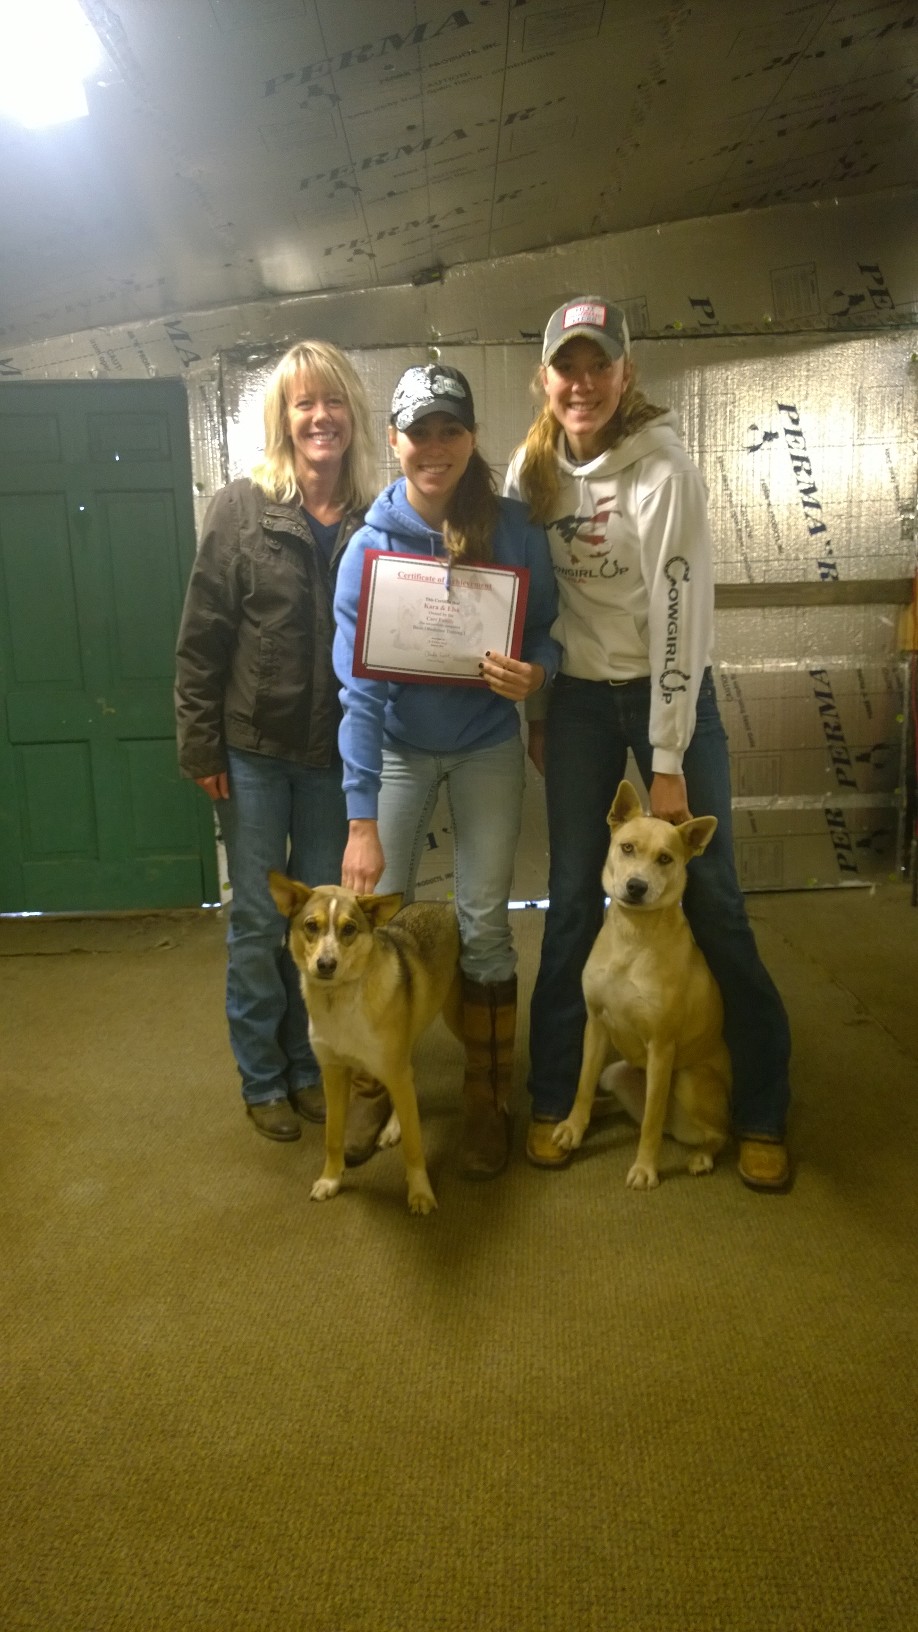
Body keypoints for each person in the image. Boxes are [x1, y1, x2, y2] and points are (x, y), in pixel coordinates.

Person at [504, 297, 792, 1191]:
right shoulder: (531, 470)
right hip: (581, 700)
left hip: (672, 695)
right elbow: (530, 599)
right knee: (570, 899)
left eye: (600, 365)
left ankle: (762, 1110)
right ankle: (558, 1096)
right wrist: (540, 713)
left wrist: (668, 760)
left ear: (626, 373)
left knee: (715, 899)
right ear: (545, 379)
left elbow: (680, 615)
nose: (583, 383)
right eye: (568, 367)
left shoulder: (664, 470)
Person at [333, 362, 561, 1178]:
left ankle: (487, 1098)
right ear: (393, 441)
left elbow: (546, 634)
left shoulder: (515, 528)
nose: (435, 447)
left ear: (472, 438)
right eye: (419, 431)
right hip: (398, 746)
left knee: (484, 920)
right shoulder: (368, 549)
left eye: (450, 430)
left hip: (485, 742)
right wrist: (361, 820)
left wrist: (537, 677)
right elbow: (358, 695)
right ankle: (373, 1084)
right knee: (376, 915)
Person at [175, 340, 377, 1141]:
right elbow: (201, 638)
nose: (320, 416)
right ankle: (263, 1078)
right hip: (252, 754)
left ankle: (307, 1066)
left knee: (325, 924)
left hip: (335, 760)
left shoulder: (377, 516)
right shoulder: (241, 509)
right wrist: (200, 746)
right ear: (283, 419)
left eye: (333, 400)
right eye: (304, 403)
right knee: (262, 924)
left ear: (352, 413)